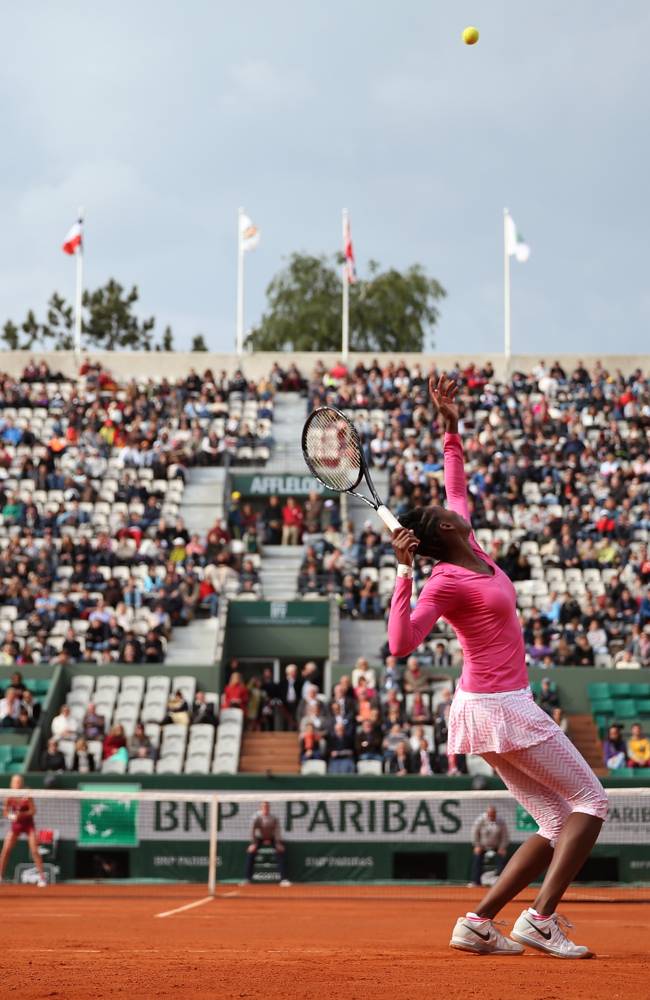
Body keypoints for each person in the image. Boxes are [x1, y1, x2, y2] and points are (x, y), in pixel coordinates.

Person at [388, 375, 608, 959]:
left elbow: (455, 480)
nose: (448, 503)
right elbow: (401, 644)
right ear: (445, 528)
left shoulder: (472, 546)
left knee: (555, 821)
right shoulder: (444, 579)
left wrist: (450, 425)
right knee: (592, 802)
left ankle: (478, 922)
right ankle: (539, 918)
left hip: (487, 709)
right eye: (441, 509)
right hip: (501, 707)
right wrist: (404, 573)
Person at [0, 775, 47, 887]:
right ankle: (0, 876)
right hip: (16, 827)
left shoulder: (27, 794)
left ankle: (42, 878)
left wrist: (22, 814)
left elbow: (33, 811)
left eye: (19, 782)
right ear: (11, 784)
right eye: (15, 782)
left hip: (29, 826)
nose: (17, 784)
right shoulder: (9, 796)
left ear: (22, 783)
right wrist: (11, 816)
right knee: (5, 850)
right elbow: (5, 812)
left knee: (35, 851)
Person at [243, 801, 290, 886]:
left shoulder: (274, 817)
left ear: (269, 808)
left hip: (272, 837)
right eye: (264, 807)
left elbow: (277, 830)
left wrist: (278, 843)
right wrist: (253, 843)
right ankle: (247, 879)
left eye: (267, 807)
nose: (266, 808)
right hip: (259, 837)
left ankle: (284, 879)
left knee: (280, 852)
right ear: (261, 808)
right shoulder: (256, 817)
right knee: (251, 852)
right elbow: (252, 830)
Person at [470, 805, 509, 887]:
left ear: (495, 814)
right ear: (487, 813)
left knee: (502, 858)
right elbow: (474, 833)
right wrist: (477, 845)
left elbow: (505, 836)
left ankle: (502, 883)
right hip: (482, 845)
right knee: (477, 858)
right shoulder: (480, 820)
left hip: (496, 846)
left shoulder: (501, 821)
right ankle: (476, 882)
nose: (491, 816)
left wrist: (502, 848)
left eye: (493, 814)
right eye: (489, 814)